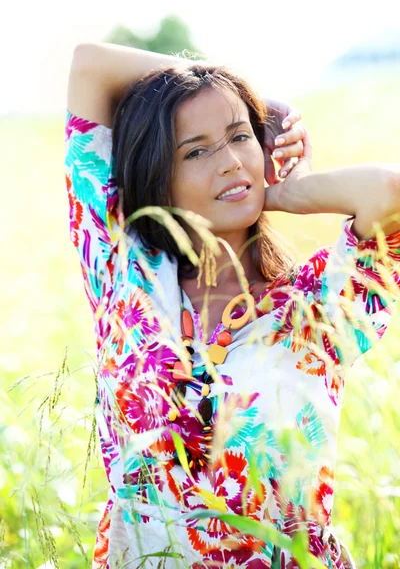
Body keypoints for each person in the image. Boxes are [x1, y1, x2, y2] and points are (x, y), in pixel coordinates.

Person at [65, 43, 400, 569]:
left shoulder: (316, 306)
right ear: (158, 176)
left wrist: (293, 190)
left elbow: (390, 190)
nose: (229, 163)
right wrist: (235, 93)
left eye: (240, 137)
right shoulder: (123, 273)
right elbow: (90, 64)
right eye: (195, 151)